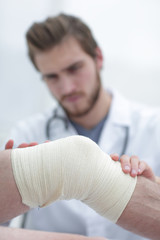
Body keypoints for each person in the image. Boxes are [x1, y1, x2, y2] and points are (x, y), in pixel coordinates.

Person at [4, 13, 160, 240]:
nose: (67, 87)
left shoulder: (154, 128)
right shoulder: (27, 134)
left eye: (74, 68)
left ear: (98, 58)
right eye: (52, 77)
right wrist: (13, 185)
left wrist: (151, 190)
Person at [0, 137, 160, 240]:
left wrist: (153, 186)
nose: (67, 87)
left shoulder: (152, 123)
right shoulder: (28, 127)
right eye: (53, 80)